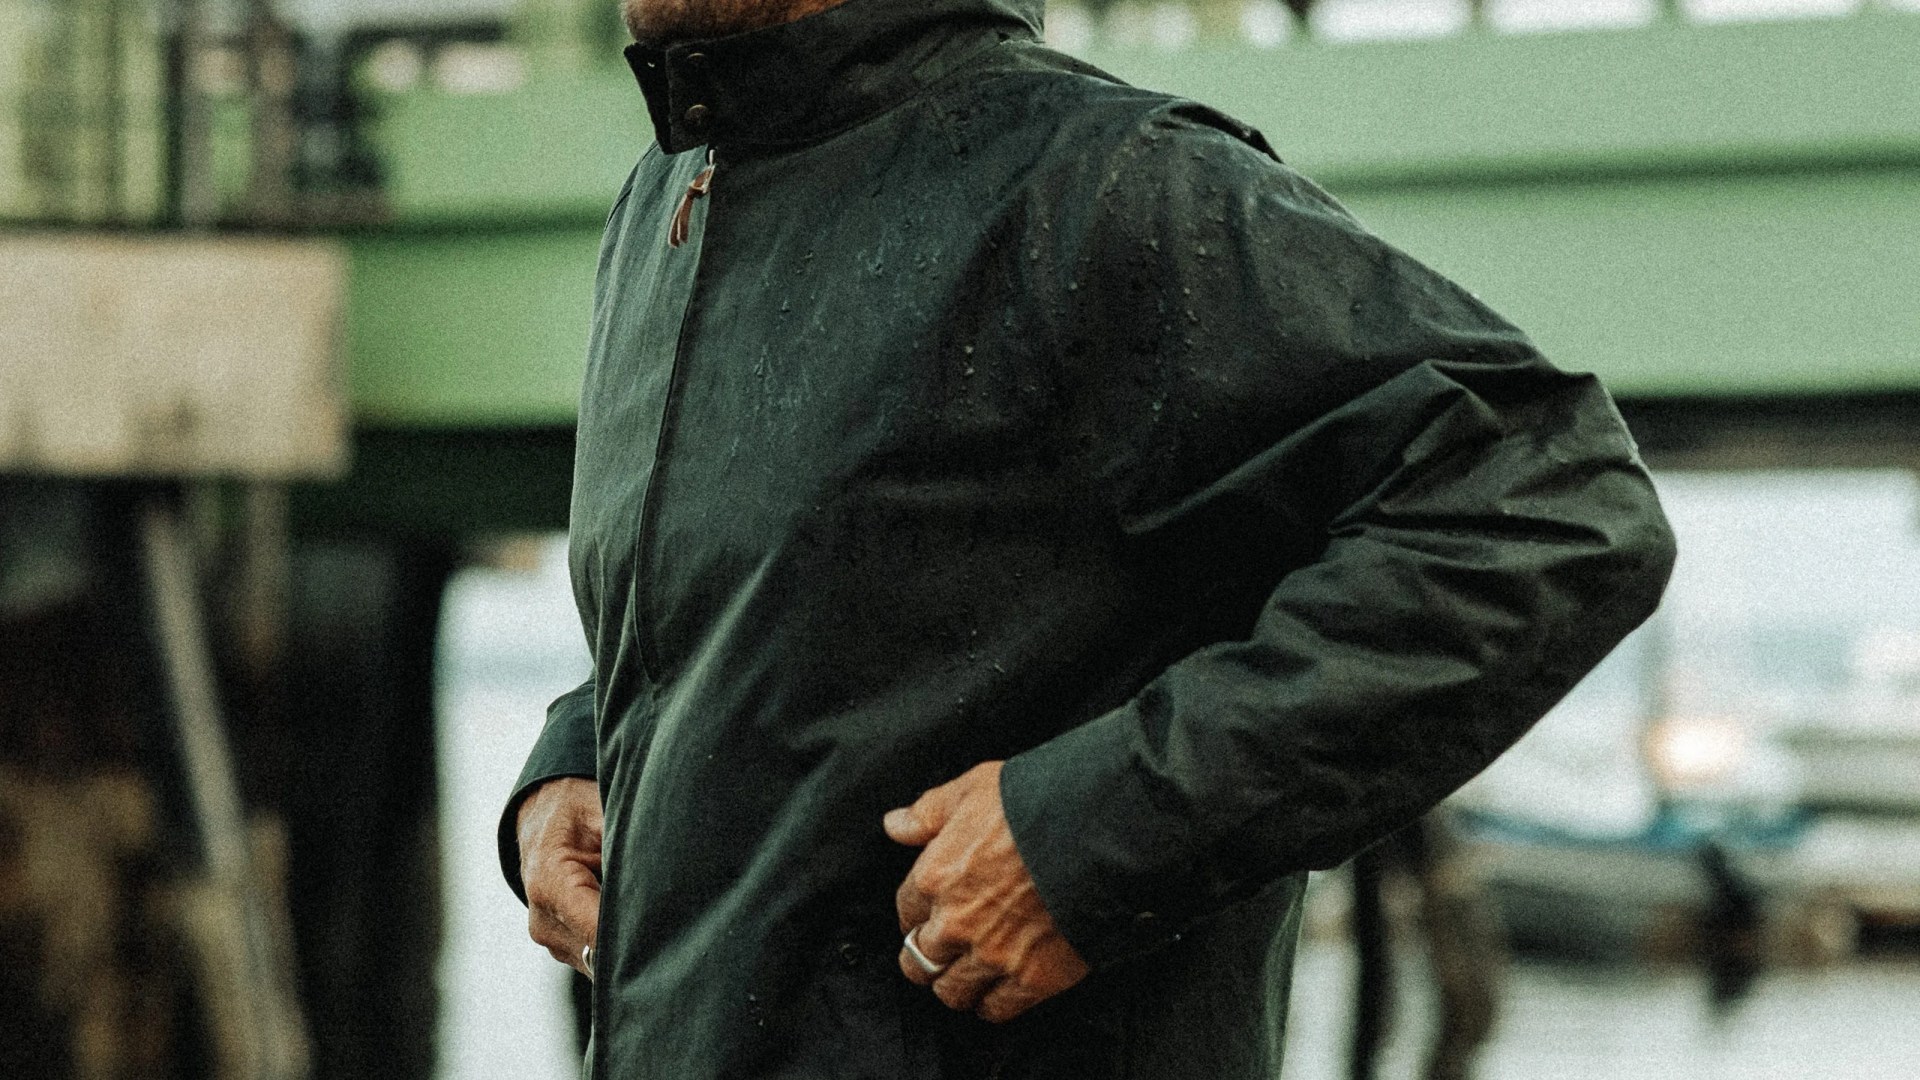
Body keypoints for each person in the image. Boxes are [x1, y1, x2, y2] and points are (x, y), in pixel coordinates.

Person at [501, 0, 1677, 1075]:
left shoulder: (1102, 183)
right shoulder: (667, 200)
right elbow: (789, 599)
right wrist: (588, 753)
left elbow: (1549, 502)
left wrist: (1099, 836)